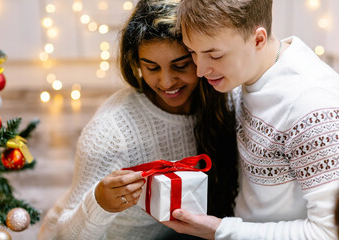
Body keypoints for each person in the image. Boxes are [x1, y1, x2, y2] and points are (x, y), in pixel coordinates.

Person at [38, 0, 237, 239]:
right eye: (151, 68)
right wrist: (98, 204)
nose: (166, 82)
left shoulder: (226, 98)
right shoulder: (110, 133)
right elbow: (63, 235)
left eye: (181, 65)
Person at [162, 0, 339, 239]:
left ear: (258, 40)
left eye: (215, 55)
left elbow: (327, 232)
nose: (200, 70)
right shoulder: (251, 68)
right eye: (193, 52)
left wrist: (220, 230)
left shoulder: (312, 107)